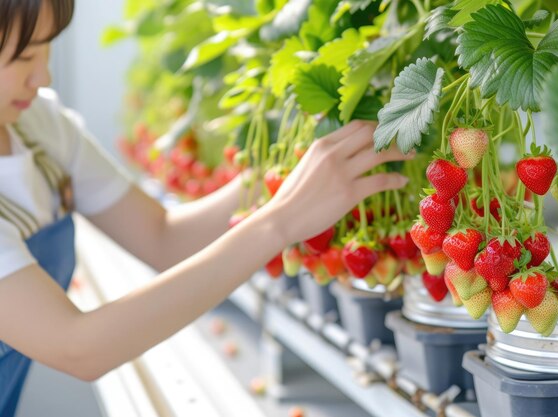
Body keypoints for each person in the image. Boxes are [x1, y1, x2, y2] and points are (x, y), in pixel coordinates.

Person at [0, 0, 413, 415]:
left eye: (47, 47)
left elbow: (163, 237)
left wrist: (286, 167)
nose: (43, 76)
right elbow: (78, 348)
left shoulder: (39, 124)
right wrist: (280, 220)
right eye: (24, 57)